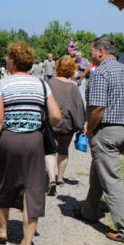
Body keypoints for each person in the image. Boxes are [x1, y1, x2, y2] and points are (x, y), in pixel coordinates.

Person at [0, 42, 60, 245]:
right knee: (33, 189)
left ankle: (2, 229)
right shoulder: (42, 84)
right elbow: (55, 116)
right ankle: (26, 244)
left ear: (12, 62)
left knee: (5, 181)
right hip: (34, 141)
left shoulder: (1, 85)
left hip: (8, 140)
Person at [73, 37, 124, 244]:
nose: (90, 55)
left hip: (106, 131)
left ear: (101, 51)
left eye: (92, 51)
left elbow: (97, 108)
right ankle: (89, 211)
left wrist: (89, 130)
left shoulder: (101, 72)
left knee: (111, 180)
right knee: (98, 171)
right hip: (123, 129)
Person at [46, 56, 85, 195]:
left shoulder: (50, 83)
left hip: (51, 122)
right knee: (63, 151)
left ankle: (51, 177)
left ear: (58, 67)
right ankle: (60, 178)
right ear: (71, 69)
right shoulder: (73, 87)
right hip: (67, 124)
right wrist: (81, 125)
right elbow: (79, 107)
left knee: (50, 151)